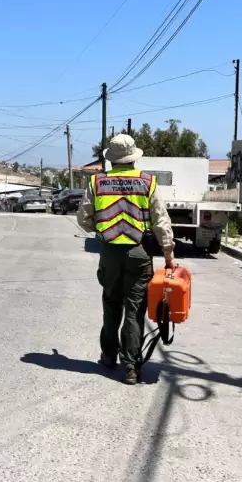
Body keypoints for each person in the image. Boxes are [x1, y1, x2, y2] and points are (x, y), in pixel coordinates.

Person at [76, 134, 176, 385]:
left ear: (111, 158)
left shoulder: (97, 182)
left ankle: (109, 356)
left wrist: (102, 230)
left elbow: (83, 219)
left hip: (110, 252)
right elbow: (161, 222)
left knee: (111, 305)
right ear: (133, 157)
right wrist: (168, 256)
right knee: (134, 310)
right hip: (138, 252)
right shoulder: (147, 182)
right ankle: (130, 367)